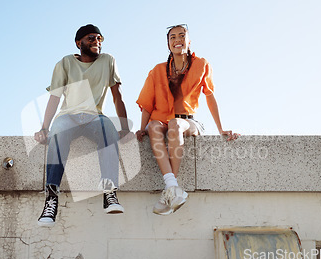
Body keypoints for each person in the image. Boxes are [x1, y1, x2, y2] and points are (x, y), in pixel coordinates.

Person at [136, 24, 239, 216]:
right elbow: (147, 105)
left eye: (182, 36)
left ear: (189, 40)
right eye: (172, 37)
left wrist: (221, 128)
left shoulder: (201, 64)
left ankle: (170, 189)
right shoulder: (157, 70)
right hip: (160, 120)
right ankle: (172, 188)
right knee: (154, 127)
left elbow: (210, 96)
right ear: (168, 44)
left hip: (187, 121)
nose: (177, 40)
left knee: (175, 125)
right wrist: (142, 128)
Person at [34, 24, 131, 227]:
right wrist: (44, 128)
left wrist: (125, 128)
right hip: (68, 116)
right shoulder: (65, 63)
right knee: (58, 132)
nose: (96, 42)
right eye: (91, 38)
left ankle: (109, 193)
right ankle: (51, 199)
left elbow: (117, 96)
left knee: (108, 130)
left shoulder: (108, 61)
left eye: (99, 38)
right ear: (79, 43)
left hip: (95, 116)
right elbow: (54, 97)